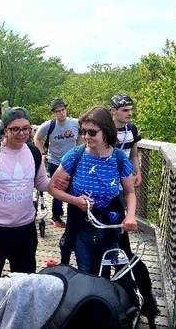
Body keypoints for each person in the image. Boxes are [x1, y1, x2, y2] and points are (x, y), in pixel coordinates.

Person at [0, 106, 68, 288]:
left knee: (24, 285)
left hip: (25, 230)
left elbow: (41, 183)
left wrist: (59, 183)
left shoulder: (33, 153)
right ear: (4, 130)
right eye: (15, 129)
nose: (22, 133)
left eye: (26, 128)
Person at [48, 106, 138, 277]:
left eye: (92, 132)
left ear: (105, 132)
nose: (86, 137)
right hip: (82, 222)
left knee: (106, 274)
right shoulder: (75, 155)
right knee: (86, 272)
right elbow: (52, 187)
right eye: (83, 131)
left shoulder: (119, 159)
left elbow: (129, 192)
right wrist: (75, 200)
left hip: (110, 222)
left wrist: (131, 215)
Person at [34, 98, 82, 228]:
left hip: (72, 161)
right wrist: (43, 153)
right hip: (56, 161)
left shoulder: (76, 123)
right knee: (58, 188)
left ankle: (72, 214)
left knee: (74, 187)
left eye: (63, 110)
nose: (61, 113)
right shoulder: (49, 125)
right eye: (58, 111)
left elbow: (80, 137)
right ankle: (56, 216)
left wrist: (80, 151)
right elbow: (37, 138)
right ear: (54, 113)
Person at [110, 93, 142, 187]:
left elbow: (133, 155)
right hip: (105, 180)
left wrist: (138, 173)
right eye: (125, 110)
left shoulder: (132, 129)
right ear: (113, 111)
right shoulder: (104, 130)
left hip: (125, 181)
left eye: (131, 109)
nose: (130, 113)